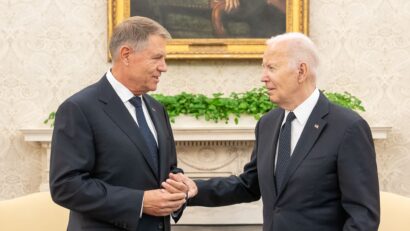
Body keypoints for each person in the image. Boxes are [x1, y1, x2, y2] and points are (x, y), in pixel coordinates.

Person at [167, 32, 380, 231]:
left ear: (301, 71)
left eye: (272, 68)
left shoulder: (348, 128)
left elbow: (363, 216)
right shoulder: (268, 123)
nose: (263, 77)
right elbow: (249, 185)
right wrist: (195, 188)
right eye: (263, 68)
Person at [49, 16, 189, 231]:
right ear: (126, 55)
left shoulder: (156, 109)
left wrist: (178, 185)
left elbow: (166, 169)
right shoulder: (79, 108)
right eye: (157, 58)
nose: (164, 67)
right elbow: (66, 186)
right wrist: (139, 202)